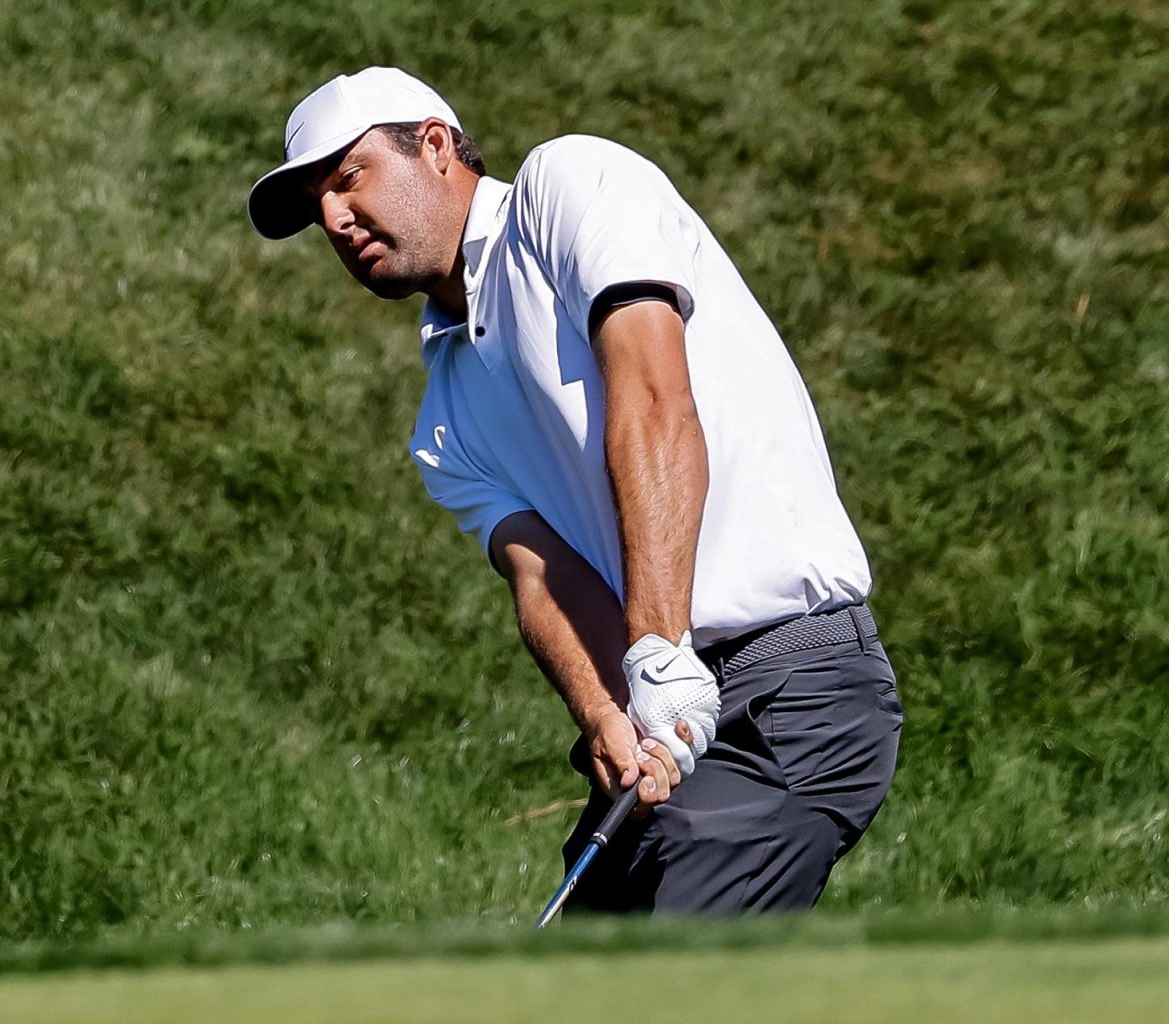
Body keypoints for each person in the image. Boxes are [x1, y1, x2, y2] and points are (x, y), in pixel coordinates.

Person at [246, 66, 902, 913]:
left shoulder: (569, 186)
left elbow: (655, 400)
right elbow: (543, 577)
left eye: (348, 178)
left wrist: (659, 650)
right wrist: (605, 710)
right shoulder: (443, 421)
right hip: (669, 723)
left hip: (793, 687)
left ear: (436, 146)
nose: (334, 219)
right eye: (317, 208)